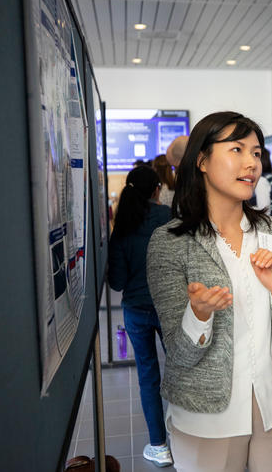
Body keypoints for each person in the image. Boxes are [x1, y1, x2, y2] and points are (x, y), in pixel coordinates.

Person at [146, 111, 272, 472]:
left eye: (256, 152)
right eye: (237, 149)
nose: (251, 163)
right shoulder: (171, 243)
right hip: (206, 418)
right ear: (201, 160)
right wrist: (200, 315)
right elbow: (179, 353)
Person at [107, 165, 173, 467]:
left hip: (136, 310)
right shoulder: (168, 217)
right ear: (156, 190)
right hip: (169, 306)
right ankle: (190, 437)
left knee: (148, 376)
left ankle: (159, 446)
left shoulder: (121, 226)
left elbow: (117, 282)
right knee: (182, 370)